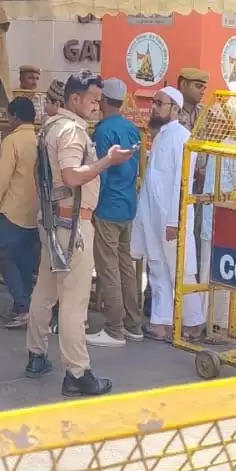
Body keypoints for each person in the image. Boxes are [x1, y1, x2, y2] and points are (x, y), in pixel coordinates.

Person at [26, 72, 132, 396]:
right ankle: (77, 372)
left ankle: (36, 354)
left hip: (55, 222)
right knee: (74, 301)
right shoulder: (72, 131)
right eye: (92, 100)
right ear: (75, 99)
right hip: (72, 226)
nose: (97, 106)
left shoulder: (51, 127)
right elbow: (72, 176)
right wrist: (107, 161)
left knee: (45, 291)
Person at [131, 87, 202, 343]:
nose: (154, 107)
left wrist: (175, 220)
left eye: (160, 103)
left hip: (173, 219)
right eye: (154, 102)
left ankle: (194, 323)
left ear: (175, 108)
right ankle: (161, 323)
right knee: (157, 269)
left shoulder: (183, 137)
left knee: (181, 271)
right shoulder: (161, 136)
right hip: (153, 217)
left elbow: (181, 185)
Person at [88, 78, 142, 346]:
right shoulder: (133, 130)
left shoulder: (102, 131)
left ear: (102, 100)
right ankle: (133, 325)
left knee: (107, 268)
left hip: (108, 205)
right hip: (128, 205)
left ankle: (114, 328)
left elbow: (100, 173)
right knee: (126, 268)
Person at [0, 97, 40, 328]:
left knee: (6, 257)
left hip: (11, 211)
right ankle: (23, 306)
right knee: (27, 262)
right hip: (34, 213)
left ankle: (23, 305)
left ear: (15, 116)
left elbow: (1, 179)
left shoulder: (12, 141)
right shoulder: (39, 140)